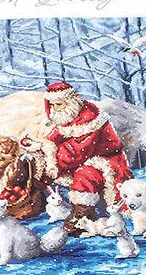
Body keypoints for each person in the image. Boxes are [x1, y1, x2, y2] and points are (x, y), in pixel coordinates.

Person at [38, 81, 133, 236]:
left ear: (70, 101)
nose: (55, 109)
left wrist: (53, 161)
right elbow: (54, 138)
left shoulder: (90, 120)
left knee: (85, 175)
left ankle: (83, 215)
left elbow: (76, 152)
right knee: (37, 166)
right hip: (81, 158)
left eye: (59, 104)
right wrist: (41, 149)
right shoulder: (68, 115)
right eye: (52, 105)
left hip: (104, 161)